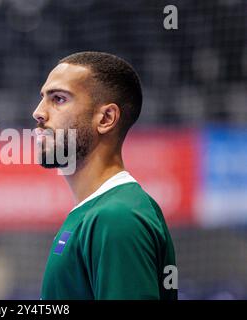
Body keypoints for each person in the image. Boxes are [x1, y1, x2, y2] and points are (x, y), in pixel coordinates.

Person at [33, 51, 177, 300]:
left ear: (107, 118)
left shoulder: (117, 217)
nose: (38, 112)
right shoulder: (97, 213)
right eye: (42, 98)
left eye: (58, 99)